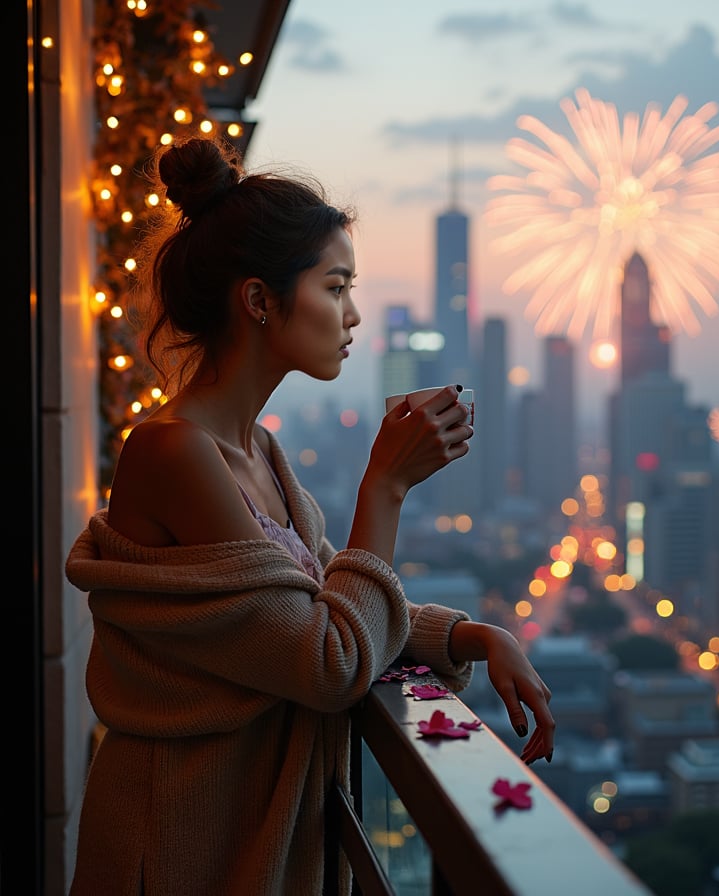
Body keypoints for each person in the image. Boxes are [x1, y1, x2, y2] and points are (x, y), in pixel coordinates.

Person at [65, 135, 555, 896]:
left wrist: (472, 634)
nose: (353, 314)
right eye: (335, 287)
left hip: (246, 843)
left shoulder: (258, 453)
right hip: (177, 849)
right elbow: (329, 660)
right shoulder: (171, 453)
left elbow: (326, 602)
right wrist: (385, 487)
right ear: (259, 300)